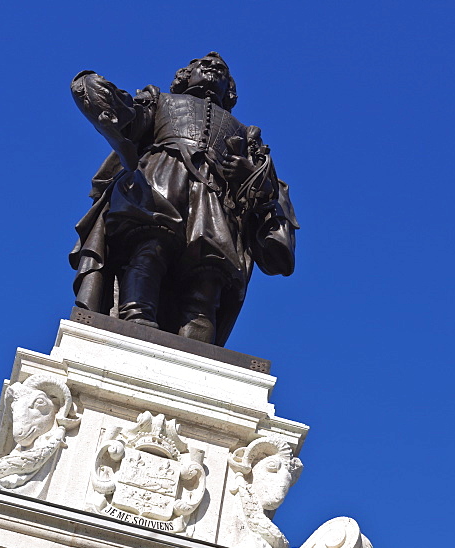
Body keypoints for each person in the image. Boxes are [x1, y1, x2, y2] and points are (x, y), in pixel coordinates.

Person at [70, 53, 298, 345]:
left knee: (209, 276)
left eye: (222, 71)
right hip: (162, 179)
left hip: (216, 202)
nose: (214, 69)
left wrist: (248, 172)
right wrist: (98, 92)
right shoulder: (160, 100)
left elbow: (264, 189)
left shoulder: (245, 132)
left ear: (230, 89)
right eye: (204, 66)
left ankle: (197, 345)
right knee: (150, 250)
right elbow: (129, 120)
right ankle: (136, 318)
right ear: (184, 76)